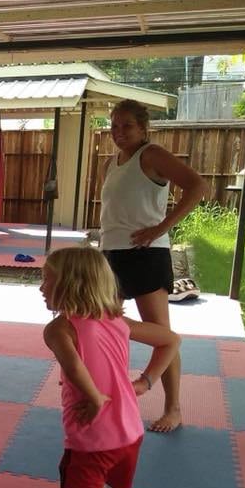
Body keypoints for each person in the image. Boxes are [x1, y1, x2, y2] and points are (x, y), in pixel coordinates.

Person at [8, 247, 180, 488]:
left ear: (69, 285)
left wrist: (94, 396)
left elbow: (73, 365)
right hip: (128, 433)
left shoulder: (58, 329)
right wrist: (145, 383)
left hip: (93, 441)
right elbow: (171, 340)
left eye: (46, 280)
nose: (40, 287)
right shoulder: (116, 319)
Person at [100, 98, 207, 432]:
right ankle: (113, 395)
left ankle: (173, 407)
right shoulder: (112, 162)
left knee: (161, 333)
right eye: (114, 126)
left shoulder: (152, 155)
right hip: (112, 254)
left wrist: (161, 229)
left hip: (146, 254)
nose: (119, 132)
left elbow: (199, 186)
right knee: (107, 328)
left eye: (127, 125)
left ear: (143, 128)